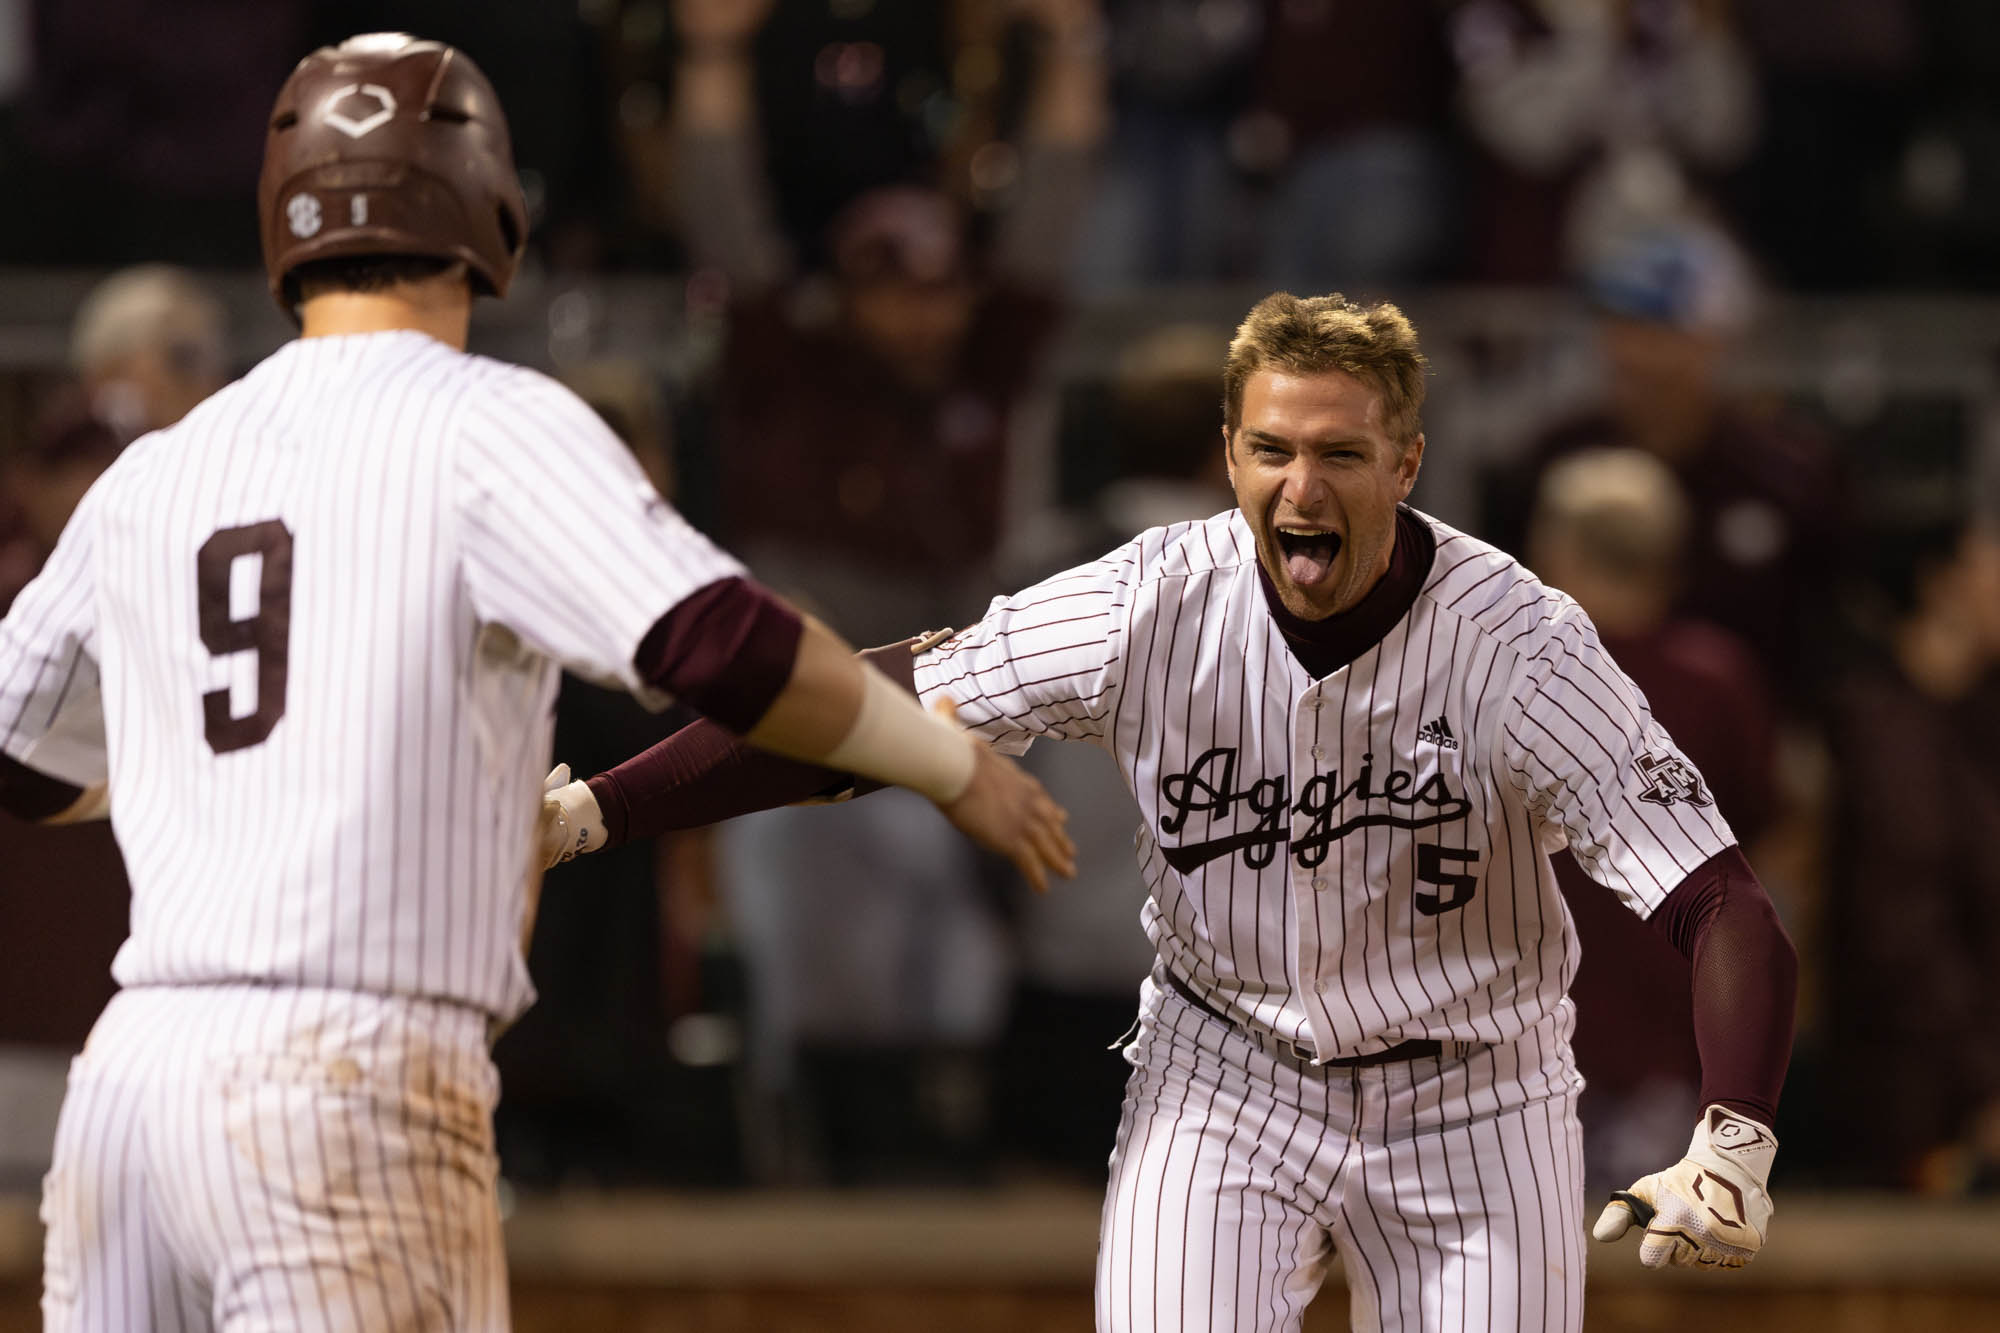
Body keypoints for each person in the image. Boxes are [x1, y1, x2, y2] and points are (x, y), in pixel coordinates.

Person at [0, 33, 1072, 1332]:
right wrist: (945, 762)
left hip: (133, 1086)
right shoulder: (482, 420)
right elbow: (719, 645)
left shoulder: (161, 468)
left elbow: (19, 758)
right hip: (350, 1076)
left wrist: (224, 779)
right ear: (489, 204)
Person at [543, 291, 1799, 1330]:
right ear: (1228, 452)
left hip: (1472, 1091)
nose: (1300, 488)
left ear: (1406, 464)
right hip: (1223, 1074)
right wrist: (599, 807)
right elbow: (859, 711)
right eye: (1271, 450)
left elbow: (1718, 900)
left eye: (1341, 455)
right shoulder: (1149, 597)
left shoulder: (1518, 642)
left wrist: (1735, 1133)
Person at [1822, 504, 2000, 1191]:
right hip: (1928, 1110)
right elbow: (1904, 933)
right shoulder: (1884, 724)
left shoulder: (1973, 711)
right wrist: (1984, 1089)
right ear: (1943, 586)